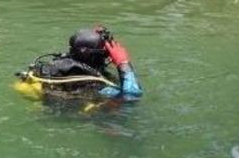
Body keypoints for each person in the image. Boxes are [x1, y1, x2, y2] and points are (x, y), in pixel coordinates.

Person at [14, 26, 143, 103]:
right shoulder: (93, 82)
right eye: (105, 53)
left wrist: (94, 38)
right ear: (93, 56)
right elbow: (131, 97)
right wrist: (123, 64)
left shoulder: (61, 65)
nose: (108, 56)